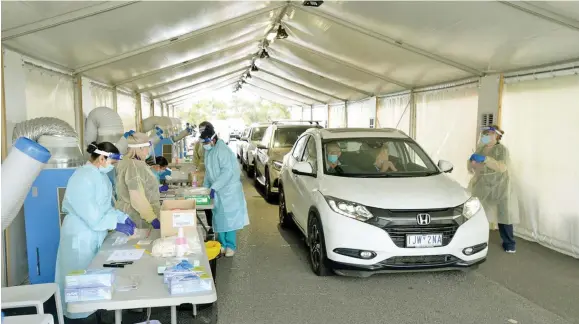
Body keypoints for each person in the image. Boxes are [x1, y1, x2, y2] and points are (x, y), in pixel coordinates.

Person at [55, 142, 135, 319]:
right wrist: (115, 224)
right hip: (80, 234)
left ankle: (93, 314)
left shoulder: (100, 177)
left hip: (93, 232)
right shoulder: (82, 177)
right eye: (112, 163)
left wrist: (121, 217)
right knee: (79, 280)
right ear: (102, 158)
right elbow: (91, 214)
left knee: (92, 278)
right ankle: (78, 318)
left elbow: (105, 207)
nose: (112, 167)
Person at [200, 122, 249, 257]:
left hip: (229, 191)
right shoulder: (209, 151)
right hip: (218, 191)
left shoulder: (223, 151)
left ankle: (230, 246)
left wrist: (214, 187)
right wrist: (205, 187)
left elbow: (227, 172)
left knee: (230, 220)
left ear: (213, 139)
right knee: (219, 219)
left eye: (206, 141)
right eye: (203, 142)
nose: (205, 144)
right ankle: (221, 245)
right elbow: (209, 172)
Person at [468, 125, 518, 253]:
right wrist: (472, 163)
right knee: (476, 213)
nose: (486, 136)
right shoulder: (480, 149)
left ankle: (509, 243)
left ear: (497, 136)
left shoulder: (501, 150)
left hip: (499, 186)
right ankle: (475, 240)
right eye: (485, 133)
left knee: (503, 214)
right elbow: (471, 168)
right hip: (482, 186)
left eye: (490, 133)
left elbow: (502, 167)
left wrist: (486, 159)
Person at [115, 132, 161, 229]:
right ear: (140, 148)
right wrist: (152, 218)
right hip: (138, 217)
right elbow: (137, 197)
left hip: (129, 213)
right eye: (147, 147)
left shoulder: (126, 162)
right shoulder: (135, 166)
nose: (148, 150)